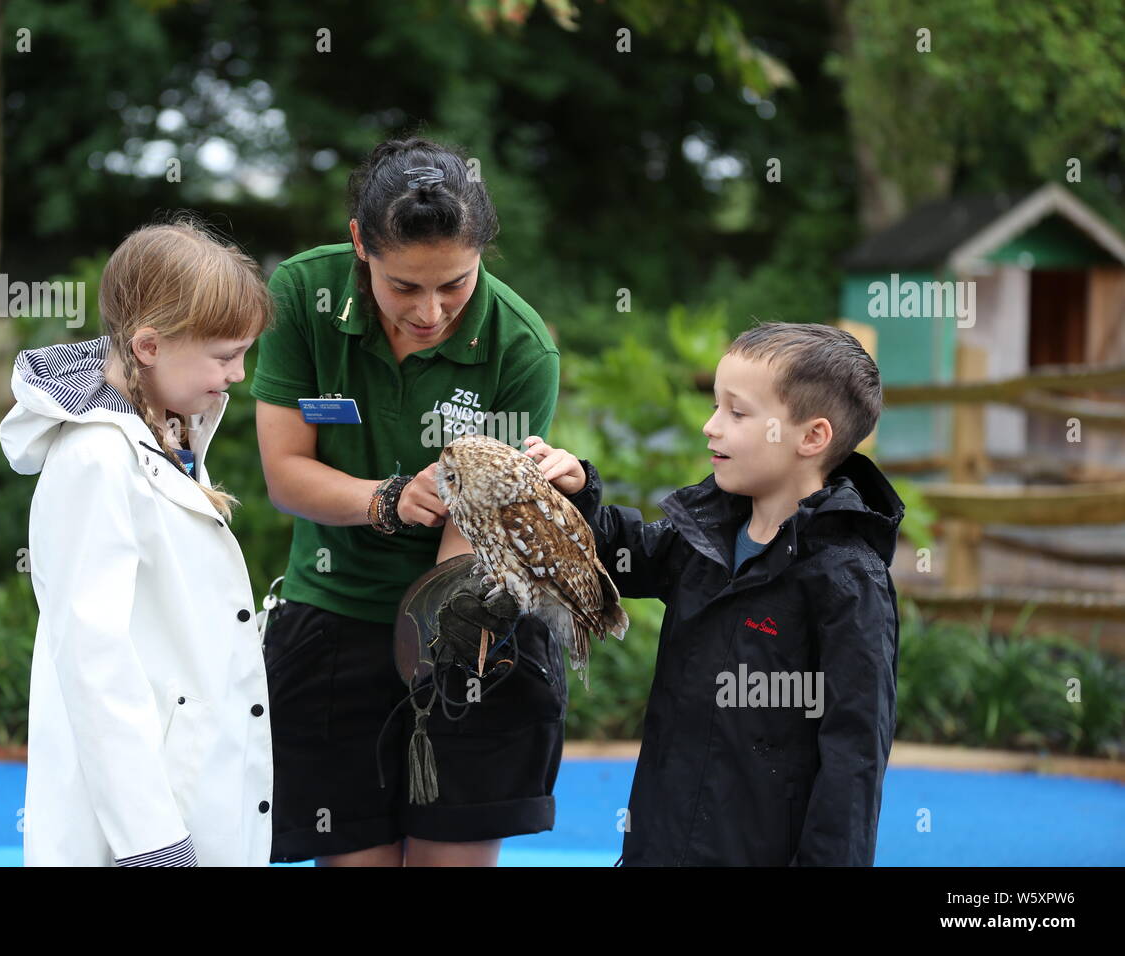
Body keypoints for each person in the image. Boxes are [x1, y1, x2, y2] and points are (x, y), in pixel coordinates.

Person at [251, 137, 564, 866]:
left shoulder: (522, 349)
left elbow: (479, 528)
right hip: (330, 619)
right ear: (361, 244)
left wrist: (441, 639)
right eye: (405, 287)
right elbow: (286, 474)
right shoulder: (302, 293)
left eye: (454, 283)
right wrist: (390, 501)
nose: (431, 312)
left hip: (469, 632)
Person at [521, 321, 904, 866]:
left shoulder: (846, 578)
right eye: (715, 406)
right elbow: (621, 555)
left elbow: (855, 755)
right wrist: (578, 495)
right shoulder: (704, 534)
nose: (710, 427)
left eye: (737, 412)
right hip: (661, 839)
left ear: (812, 437)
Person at [0, 217, 275, 866]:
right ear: (149, 346)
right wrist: (150, 841)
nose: (238, 375)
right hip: (140, 827)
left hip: (185, 791)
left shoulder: (165, 435)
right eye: (226, 354)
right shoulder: (95, 459)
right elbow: (92, 657)